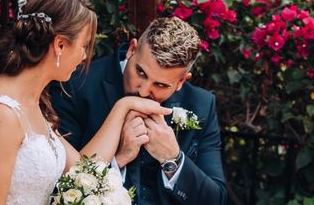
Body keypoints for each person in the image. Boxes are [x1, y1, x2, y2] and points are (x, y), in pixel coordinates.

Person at [0, 0, 171, 205]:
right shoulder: (2, 113)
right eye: (83, 46)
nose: (84, 56)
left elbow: (83, 170)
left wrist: (124, 106)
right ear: (60, 44)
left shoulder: (31, 101)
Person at [50, 17, 227, 205]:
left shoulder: (201, 104)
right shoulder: (76, 87)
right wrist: (117, 160)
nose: (143, 91)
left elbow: (216, 200)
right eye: (140, 72)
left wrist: (172, 160)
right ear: (132, 50)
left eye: (160, 85)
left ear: (181, 82)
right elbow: (55, 185)